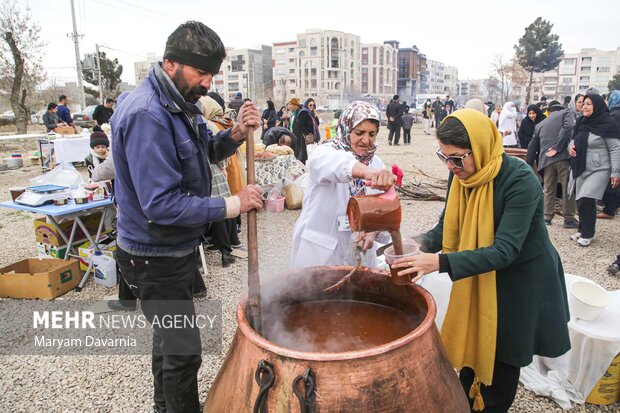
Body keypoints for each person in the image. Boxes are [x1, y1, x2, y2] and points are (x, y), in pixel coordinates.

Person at [111, 21, 263, 413]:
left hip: (168, 251)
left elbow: (201, 154)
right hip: (154, 256)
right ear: (171, 62)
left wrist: (235, 136)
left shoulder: (178, 103)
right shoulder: (148, 115)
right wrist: (233, 204)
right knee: (183, 352)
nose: (208, 83)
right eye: (201, 72)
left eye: (212, 73)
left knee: (168, 343)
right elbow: (160, 204)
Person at [392, 109, 571, 413]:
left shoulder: (520, 180)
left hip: (522, 280)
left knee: (502, 357)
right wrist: (414, 243)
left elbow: (505, 250)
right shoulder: (459, 174)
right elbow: (445, 226)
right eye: (444, 157)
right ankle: (467, 399)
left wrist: (438, 262)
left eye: (458, 158)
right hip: (481, 273)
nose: (450, 166)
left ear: (481, 147)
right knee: (475, 340)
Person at [290, 101, 395, 268]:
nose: (366, 140)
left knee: (359, 293)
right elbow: (337, 164)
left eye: (372, 134)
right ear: (346, 128)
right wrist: (365, 172)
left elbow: (384, 213)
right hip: (321, 254)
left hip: (361, 256)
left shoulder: (376, 164)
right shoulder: (325, 153)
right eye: (359, 132)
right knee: (314, 293)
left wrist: (373, 231)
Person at [568, 94, 620, 246]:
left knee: (587, 198)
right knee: (580, 200)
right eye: (583, 103)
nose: (585, 106)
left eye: (589, 104)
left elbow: (615, 148)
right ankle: (582, 228)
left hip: (600, 168)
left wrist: (615, 172)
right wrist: (570, 147)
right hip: (581, 166)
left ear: (597, 105)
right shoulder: (581, 122)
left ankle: (588, 233)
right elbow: (574, 139)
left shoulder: (608, 123)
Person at [199, 95, 240, 266]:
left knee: (219, 211)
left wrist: (222, 166)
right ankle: (228, 246)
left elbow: (216, 147)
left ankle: (226, 249)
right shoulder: (207, 122)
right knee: (223, 209)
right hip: (215, 171)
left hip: (211, 172)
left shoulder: (205, 124)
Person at [526, 102, 578, 228]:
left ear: (549, 112)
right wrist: (557, 147)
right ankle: (569, 218)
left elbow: (532, 146)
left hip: (546, 160)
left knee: (549, 189)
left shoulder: (540, 124)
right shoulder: (567, 112)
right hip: (563, 158)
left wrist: (528, 165)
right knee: (567, 189)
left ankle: (547, 217)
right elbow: (568, 127)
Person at [288, 97, 308, 163]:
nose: (289, 106)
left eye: (290, 105)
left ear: (295, 105)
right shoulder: (293, 114)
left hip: (299, 137)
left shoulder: (300, 113)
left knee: (300, 154)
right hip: (293, 136)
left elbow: (302, 126)